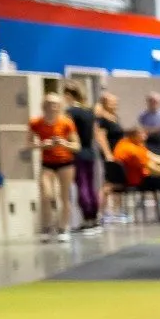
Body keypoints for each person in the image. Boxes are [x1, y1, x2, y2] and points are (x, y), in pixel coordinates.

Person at [29, 92, 79, 242]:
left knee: (64, 196)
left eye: (56, 104)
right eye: (50, 103)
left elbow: (76, 146)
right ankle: (46, 226)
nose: (53, 107)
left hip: (65, 162)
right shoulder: (36, 123)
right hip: (47, 163)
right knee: (46, 195)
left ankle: (63, 227)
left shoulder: (66, 123)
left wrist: (64, 143)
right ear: (44, 105)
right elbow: (29, 143)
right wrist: (42, 145)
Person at [109, 126, 160, 201]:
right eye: (142, 134)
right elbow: (153, 169)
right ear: (134, 135)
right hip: (136, 181)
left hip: (136, 177)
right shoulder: (131, 150)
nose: (145, 136)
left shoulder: (127, 143)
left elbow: (153, 157)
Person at [61, 84, 102, 233]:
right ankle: (94, 217)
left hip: (76, 152)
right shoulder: (89, 112)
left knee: (82, 185)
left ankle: (87, 218)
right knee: (91, 186)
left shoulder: (71, 112)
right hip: (89, 151)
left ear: (69, 95)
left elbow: (67, 133)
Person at [94, 92, 129, 224]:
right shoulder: (102, 118)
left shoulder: (114, 117)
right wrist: (108, 154)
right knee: (109, 183)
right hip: (110, 155)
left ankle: (116, 211)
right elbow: (101, 137)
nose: (115, 105)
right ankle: (101, 212)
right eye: (112, 102)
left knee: (118, 183)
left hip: (119, 154)